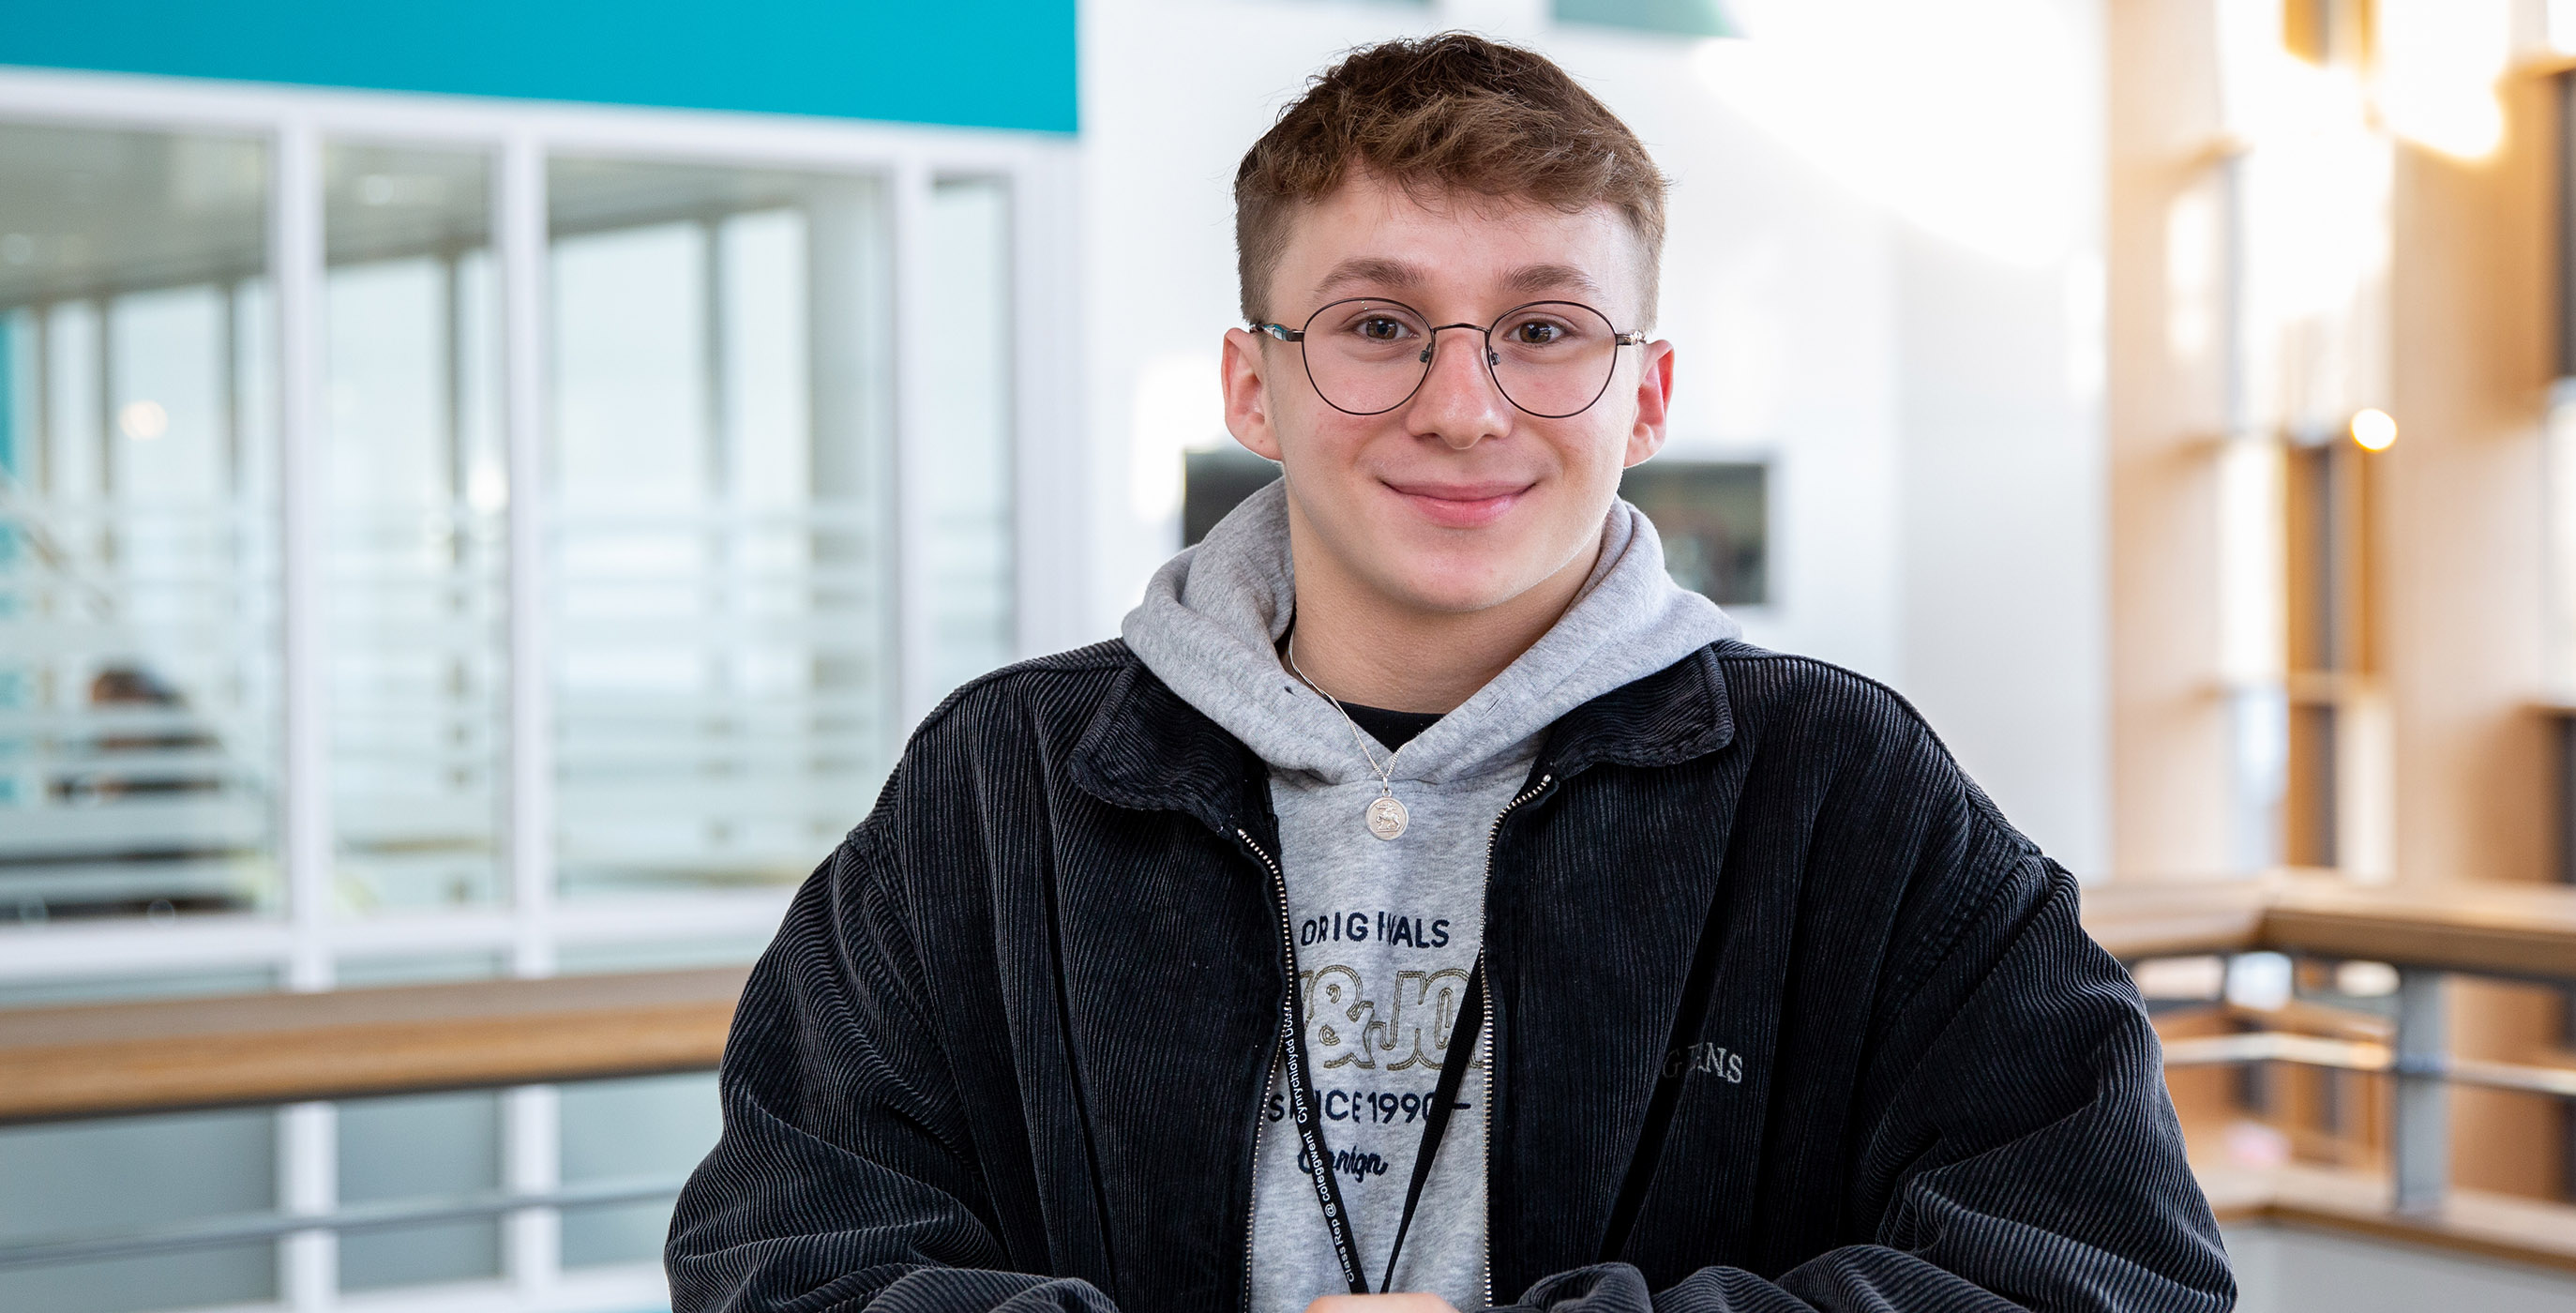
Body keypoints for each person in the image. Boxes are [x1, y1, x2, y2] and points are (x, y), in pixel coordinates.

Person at [668, 32, 2233, 1313]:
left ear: (1648, 392)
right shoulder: (1005, 780)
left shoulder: (1841, 787)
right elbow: (778, 1258)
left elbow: (2109, 1274)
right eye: (1377, 325)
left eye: (1545, 329)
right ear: (1253, 387)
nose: (1465, 407)